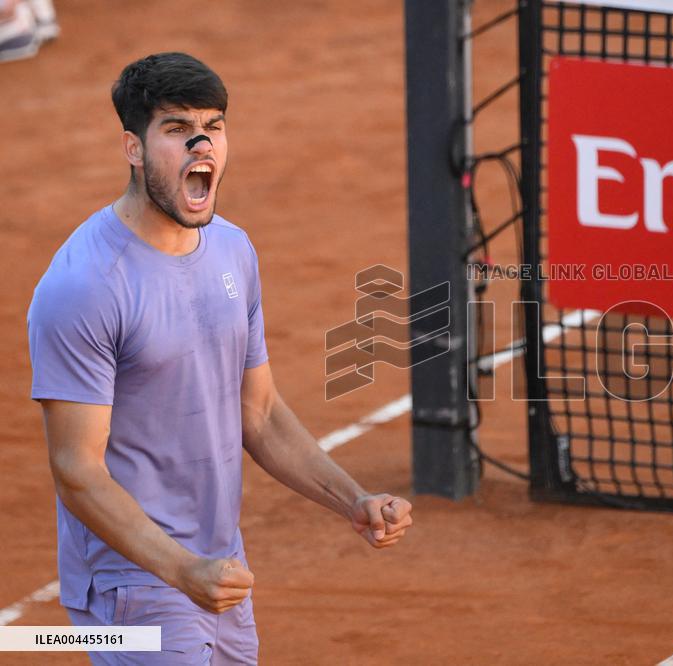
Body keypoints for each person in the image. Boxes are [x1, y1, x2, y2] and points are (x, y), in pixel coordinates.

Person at [27, 52, 413, 664]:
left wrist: (353, 501)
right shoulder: (86, 286)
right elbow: (76, 470)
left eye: (213, 126)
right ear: (133, 147)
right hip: (133, 579)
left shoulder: (232, 251)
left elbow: (257, 413)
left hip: (217, 568)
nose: (199, 144)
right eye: (176, 130)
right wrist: (181, 570)